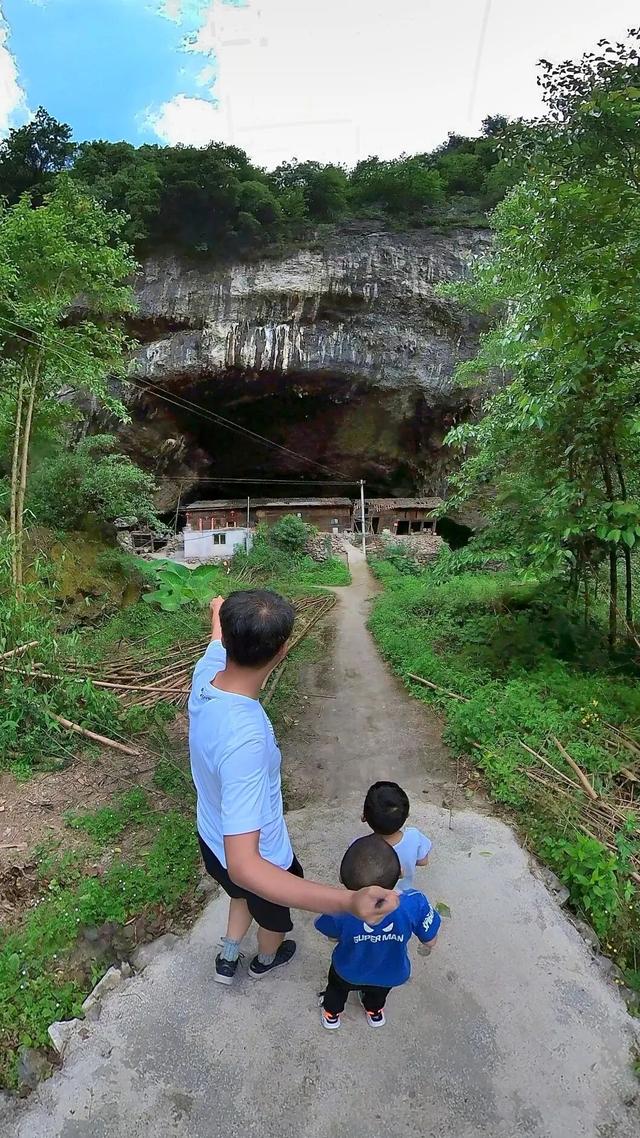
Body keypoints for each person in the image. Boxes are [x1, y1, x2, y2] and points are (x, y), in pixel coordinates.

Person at [189, 590, 399, 986]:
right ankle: (266, 958)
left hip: (211, 836)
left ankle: (229, 953)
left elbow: (216, 639)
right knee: (266, 909)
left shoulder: (206, 676)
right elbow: (246, 866)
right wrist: (346, 902)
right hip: (263, 859)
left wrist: (217, 611)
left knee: (238, 892)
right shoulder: (245, 739)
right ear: (282, 651)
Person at [315, 835, 441, 1030]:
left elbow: (330, 934)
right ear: (400, 873)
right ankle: (374, 1012)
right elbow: (430, 941)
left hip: (348, 969)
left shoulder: (339, 908)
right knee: (379, 992)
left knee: (337, 989)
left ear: (342, 879)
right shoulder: (415, 902)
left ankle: (332, 1014)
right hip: (390, 971)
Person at [362, 780, 432, 891]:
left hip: (370, 898)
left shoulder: (359, 846)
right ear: (407, 815)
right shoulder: (414, 837)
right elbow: (423, 861)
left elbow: (344, 877)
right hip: (403, 895)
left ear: (364, 817)